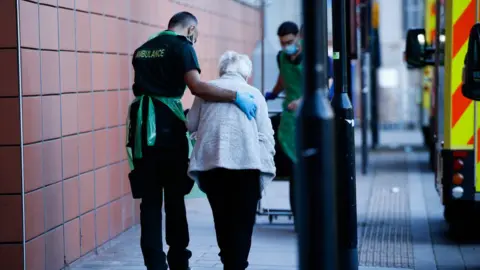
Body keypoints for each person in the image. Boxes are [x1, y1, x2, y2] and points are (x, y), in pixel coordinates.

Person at [126, 12, 258, 270]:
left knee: (150, 200)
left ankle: (154, 263)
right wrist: (234, 96)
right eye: (196, 34)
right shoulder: (183, 47)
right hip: (166, 130)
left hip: (141, 130)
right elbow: (196, 87)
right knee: (174, 197)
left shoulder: (143, 49)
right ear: (191, 29)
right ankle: (178, 260)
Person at [187, 51, 276, 270]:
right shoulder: (254, 93)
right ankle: (237, 264)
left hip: (213, 165)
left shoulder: (206, 91)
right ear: (246, 74)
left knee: (222, 217)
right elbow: (267, 133)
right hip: (247, 165)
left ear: (222, 70)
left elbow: (190, 124)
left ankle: (229, 261)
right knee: (243, 221)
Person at [264, 22, 333, 222]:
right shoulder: (282, 57)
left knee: (309, 170)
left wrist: (303, 101)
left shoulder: (316, 57)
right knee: (295, 172)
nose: (287, 46)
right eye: (283, 43)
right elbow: (283, 78)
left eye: (290, 42)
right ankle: (299, 218)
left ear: (298, 38)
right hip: (289, 124)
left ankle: (314, 216)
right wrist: (274, 93)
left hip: (309, 119)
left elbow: (324, 88)